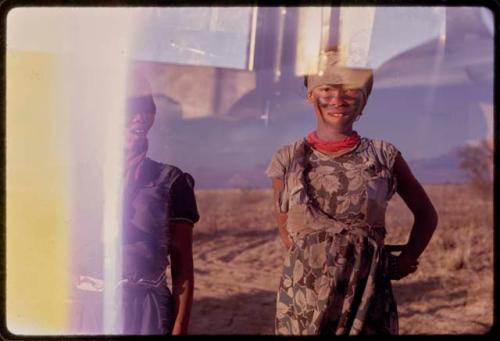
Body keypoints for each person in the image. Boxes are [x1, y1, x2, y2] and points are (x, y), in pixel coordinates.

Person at [266, 48, 438, 335]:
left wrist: (406, 259)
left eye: (350, 89)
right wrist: (324, 263)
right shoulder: (287, 159)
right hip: (303, 299)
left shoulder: (384, 154)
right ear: (311, 95)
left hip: (367, 296)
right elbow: (287, 231)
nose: (337, 99)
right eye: (326, 88)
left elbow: (426, 215)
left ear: (364, 99)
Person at [120, 70, 199, 335]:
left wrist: (179, 328)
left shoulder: (170, 180)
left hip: (146, 312)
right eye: (130, 106)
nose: (140, 117)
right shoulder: (78, 178)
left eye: (147, 107)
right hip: (84, 307)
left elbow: (183, 268)